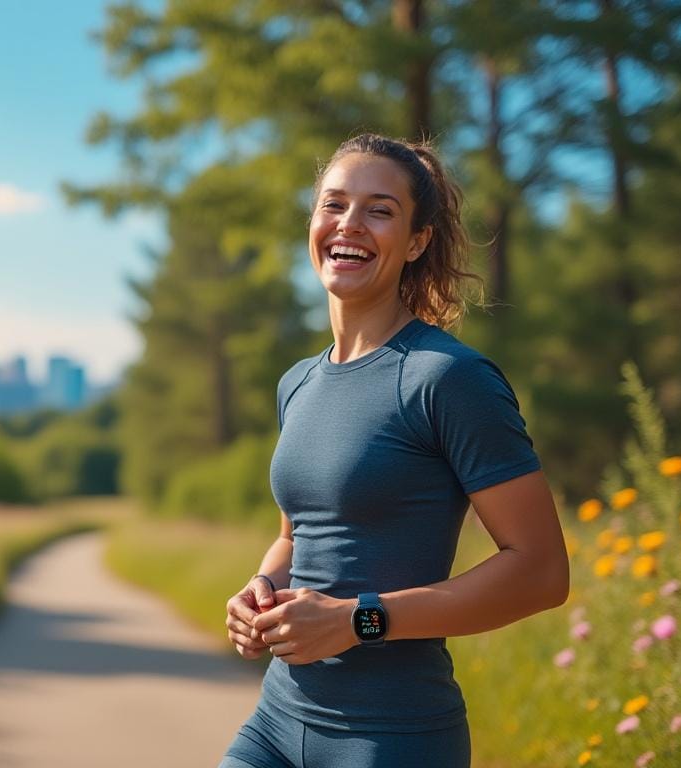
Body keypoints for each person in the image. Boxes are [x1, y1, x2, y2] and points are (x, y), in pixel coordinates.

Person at [218, 133, 569, 768]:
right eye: (334, 204)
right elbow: (297, 536)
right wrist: (261, 587)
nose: (349, 223)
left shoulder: (447, 378)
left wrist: (360, 619)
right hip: (275, 722)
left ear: (416, 242)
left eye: (379, 209)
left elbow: (542, 572)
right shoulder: (297, 382)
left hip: (393, 737)